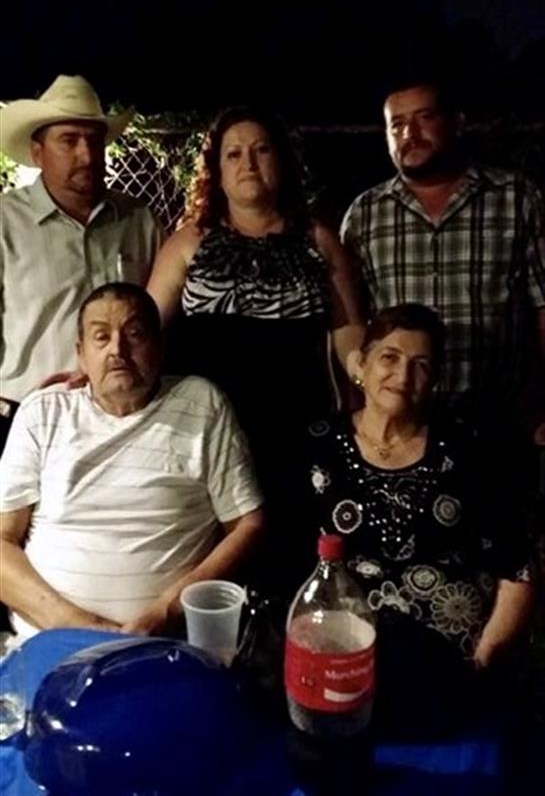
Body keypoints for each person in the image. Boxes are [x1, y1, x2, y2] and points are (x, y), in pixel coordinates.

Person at [146, 106, 364, 583]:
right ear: (217, 172)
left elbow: (349, 332)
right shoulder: (187, 243)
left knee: (290, 549)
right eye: (234, 153)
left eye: (261, 150)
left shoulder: (319, 240)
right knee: (209, 552)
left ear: (281, 162)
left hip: (297, 426)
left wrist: (371, 386)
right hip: (208, 427)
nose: (248, 163)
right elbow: (146, 326)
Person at [0, 283, 263, 640]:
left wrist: (167, 610)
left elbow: (247, 523)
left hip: (166, 643)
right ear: (81, 354)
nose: (117, 350)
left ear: (160, 345)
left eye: (135, 334)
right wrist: (76, 625)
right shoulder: (42, 412)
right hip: (50, 643)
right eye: (101, 337)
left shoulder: (202, 403)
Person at [306, 304, 534, 666]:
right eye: (389, 357)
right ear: (361, 365)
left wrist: (485, 660)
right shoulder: (317, 446)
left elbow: (517, 569)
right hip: (345, 659)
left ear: (435, 380)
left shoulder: (469, 448)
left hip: (456, 665)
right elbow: (290, 566)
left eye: (421, 364)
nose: (403, 375)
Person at [341, 80, 545, 444]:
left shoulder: (517, 198)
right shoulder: (365, 214)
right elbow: (351, 322)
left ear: (457, 122)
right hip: (401, 425)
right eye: (397, 124)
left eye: (425, 118)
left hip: (499, 419)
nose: (410, 133)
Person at [0, 75, 162, 449]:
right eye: (69, 141)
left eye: (93, 140)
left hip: (123, 421)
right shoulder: (6, 222)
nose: (87, 155)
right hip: (26, 422)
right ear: (38, 152)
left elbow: (158, 318)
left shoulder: (138, 219)